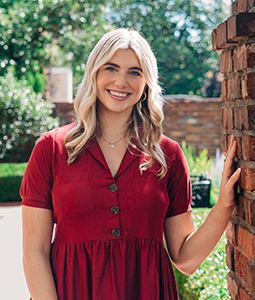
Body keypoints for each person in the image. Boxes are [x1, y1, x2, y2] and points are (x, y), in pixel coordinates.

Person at [21, 28, 241, 300]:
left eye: (135, 72)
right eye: (111, 68)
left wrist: (224, 206)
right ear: (94, 73)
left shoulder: (168, 155)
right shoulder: (51, 149)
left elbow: (185, 259)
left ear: (147, 82)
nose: (121, 81)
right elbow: (34, 251)